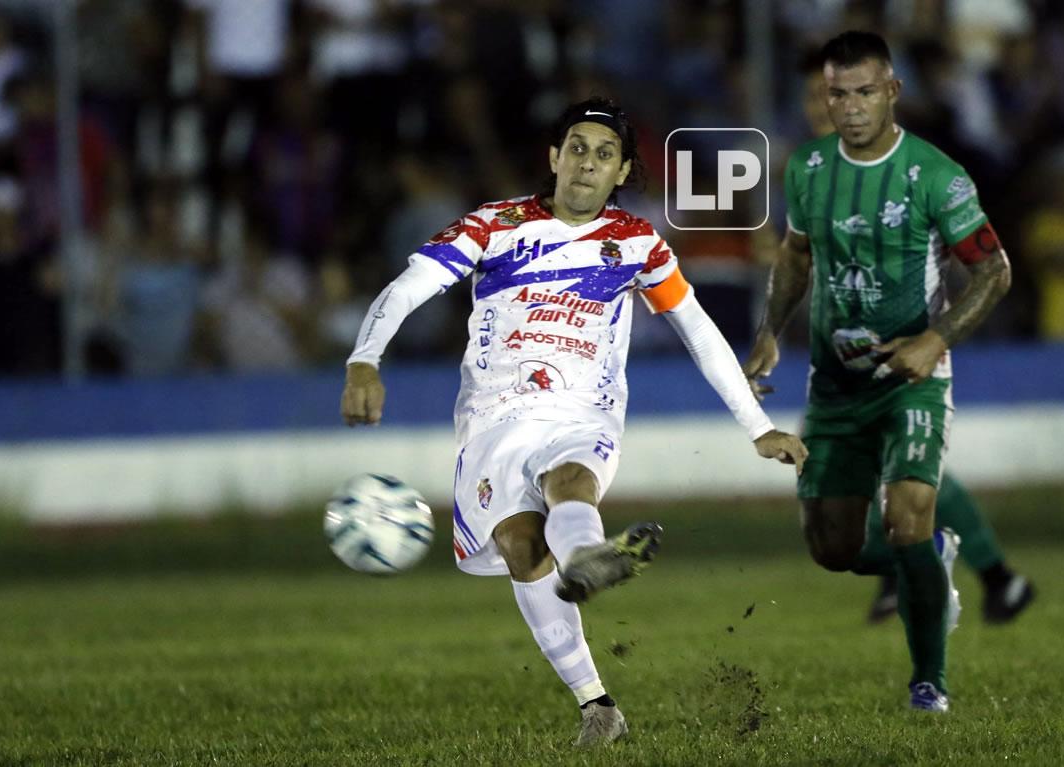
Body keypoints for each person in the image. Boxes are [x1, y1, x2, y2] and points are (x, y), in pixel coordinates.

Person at [341, 98, 807, 746]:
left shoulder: (636, 243)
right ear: (555, 157)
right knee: (521, 547)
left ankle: (587, 552)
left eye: (605, 153)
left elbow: (697, 328)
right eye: (578, 148)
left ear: (621, 173)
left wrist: (757, 425)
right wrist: (365, 360)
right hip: (492, 420)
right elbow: (410, 286)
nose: (589, 162)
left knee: (570, 478)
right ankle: (598, 705)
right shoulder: (494, 225)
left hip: (582, 411)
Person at [744, 32, 1012, 713]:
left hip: (912, 380)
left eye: (866, 92)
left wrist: (936, 337)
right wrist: (772, 330)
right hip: (835, 384)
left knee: (906, 514)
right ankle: (931, 562)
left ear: (892, 91)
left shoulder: (936, 175)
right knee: (831, 547)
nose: (852, 107)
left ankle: (930, 683)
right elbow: (797, 256)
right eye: (839, 94)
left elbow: (994, 270)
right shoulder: (806, 168)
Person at [794, 49, 1035, 626]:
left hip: (901, 345)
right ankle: (990, 577)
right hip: (848, 351)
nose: (821, 109)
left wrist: (931, 332)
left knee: (885, 464)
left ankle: (940, 572)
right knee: (893, 468)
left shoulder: (912, 170)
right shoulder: (814, 170)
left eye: (836, 95)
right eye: (817, 98)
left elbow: (976, 259)